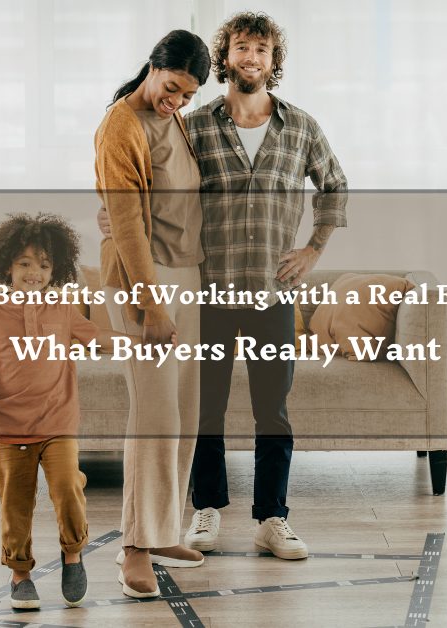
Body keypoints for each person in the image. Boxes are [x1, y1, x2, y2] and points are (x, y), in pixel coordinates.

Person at [182, 11, 347, 560]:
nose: (251, 58)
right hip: (210, 294)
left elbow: (335, 186)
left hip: (273, 295)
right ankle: (205, 510)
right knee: (204, 407)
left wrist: (314, 248)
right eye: (241, 47)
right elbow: (162, 189)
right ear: (223, 56)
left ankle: (272, 519)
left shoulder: (299, 127)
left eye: (261, 49)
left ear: (273, 62)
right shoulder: (197, 125)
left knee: (271, 411)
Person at [0, 213, 137, 610]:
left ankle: (73, 554)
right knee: (15, 503)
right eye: (24, 264)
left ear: (55, 268)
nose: (34, 273)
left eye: (44, 265)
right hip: (10, 427)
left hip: (58, 422)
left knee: (67, 489)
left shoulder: (62, 310)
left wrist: (144, 341)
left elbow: (99, 338)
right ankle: (20, 573)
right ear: (6, 265)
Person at [94, 29, 212, 599]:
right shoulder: (122, 125)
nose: (176, 101)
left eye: (186, 95)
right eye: (171, 88)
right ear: (152, 67)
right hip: (148, 286)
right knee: (154, 416)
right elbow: (126, 225)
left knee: (182, 414)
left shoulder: (174, 119)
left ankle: (163, 530)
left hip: (184, 276)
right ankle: (134, 548)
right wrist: (151, 305)